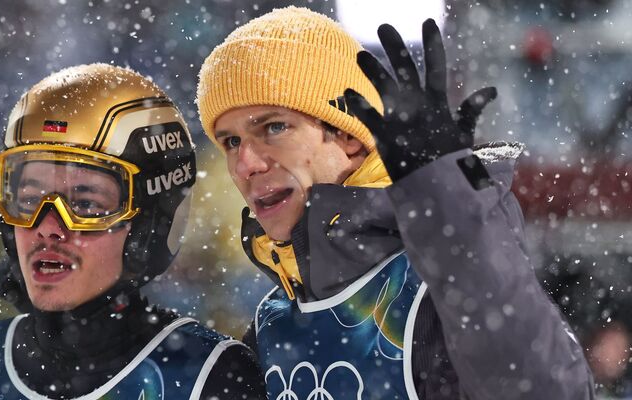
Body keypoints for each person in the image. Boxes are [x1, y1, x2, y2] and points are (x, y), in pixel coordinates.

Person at [196, 6, 595, 399]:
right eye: (231, 141)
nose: (245, 164)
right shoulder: (273, 320)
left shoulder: (437, 280)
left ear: (350, 136)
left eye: (274, 126)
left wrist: (449, 203)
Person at [0, 63, 265, 399]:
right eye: (28, 199)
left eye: (85, 204)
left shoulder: (205, 375)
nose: (48, 228)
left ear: (147, 227)